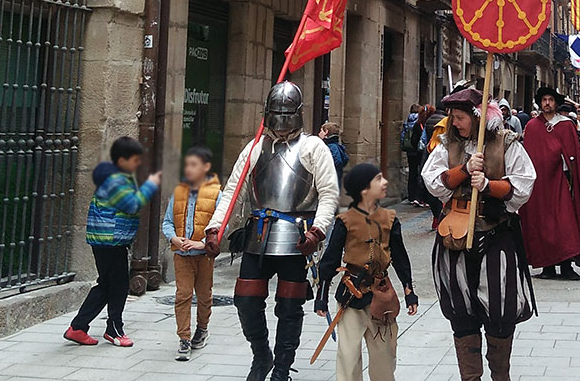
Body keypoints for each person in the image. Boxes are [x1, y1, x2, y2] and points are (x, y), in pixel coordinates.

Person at [204, 81, 340, 381]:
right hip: (259, 235)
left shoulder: (313, 147)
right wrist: (215, 227)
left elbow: (329, 193)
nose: (280, 119)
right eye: (275, 112)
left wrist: (318, 231)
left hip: (296, 236)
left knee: (290, 306)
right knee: (246, 300)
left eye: (285, 112)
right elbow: (233, 191)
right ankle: (261, 354)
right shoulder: (254, 148)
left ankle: (281, 368)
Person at [422, 88, 537, 381]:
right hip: (455, 237)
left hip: (496, 234)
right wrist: (464, 168)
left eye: (460, 117)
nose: (455, 122)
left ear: (477, 117)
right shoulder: (446, 144)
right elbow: (434, 183)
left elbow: (523, 186)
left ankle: (501, 377)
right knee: (461, 315)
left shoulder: (506, 142)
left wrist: (486, 183)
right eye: (453, 116)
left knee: (500, 313)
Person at [316, 163, 419, 381]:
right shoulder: (345, 221)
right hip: (351, 297)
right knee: (349, 358)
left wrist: (409, 290)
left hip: (382, 297)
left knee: (384, 360)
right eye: (379, 179)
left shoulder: (390, 219)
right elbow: (330, 261)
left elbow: (400, 258)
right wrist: (321, 297)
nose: (385, 183)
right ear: (364, 189)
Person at [64, 137, 162, 347]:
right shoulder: (116, 180)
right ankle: (114, 330)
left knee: (108, 285)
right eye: (135, 159)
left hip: (108, 240)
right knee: (118, 286)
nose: (137, 163)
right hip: (110, 241)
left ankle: (78, 327)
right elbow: (131, 204)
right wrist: (150, 186)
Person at [520, 86, 580, 280]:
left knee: (565, 223)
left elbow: (574, 155)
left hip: (563, 182)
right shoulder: (532, 126)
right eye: (544, 100)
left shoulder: (566, 125)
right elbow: (529, 157)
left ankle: (566, 266)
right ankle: (547, 266)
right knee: (542, 223)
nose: (547, 103)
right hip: (540, 185)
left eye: (551, 100)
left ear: (556, 103)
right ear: (540, 103)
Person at [162, 145, 222, 361]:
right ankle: (184, 338)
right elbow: (168, 222)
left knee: (204, 295)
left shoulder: (216, 193)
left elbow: (220, 226)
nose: (189, 169)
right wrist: (174, 238)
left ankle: (202, 328)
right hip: (182, 255)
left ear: (206, 167)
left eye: (194, 165)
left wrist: (203, 243)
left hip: (204, 256)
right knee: (183, 294)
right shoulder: (178, 192)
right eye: (187, 164)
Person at [402, 104, 427, 207]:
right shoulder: (420, 122)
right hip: (419, 152)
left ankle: (411, 196)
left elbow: (403, 135)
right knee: (420, 173)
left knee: (412, 173)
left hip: (410, 151)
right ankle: (418, 196)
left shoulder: (407, 121)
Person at [320, 122, 350, 188]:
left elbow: (338, 161)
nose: (319, 133)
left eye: (321, 131)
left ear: (326, 132)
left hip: (329, 183)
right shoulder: (336, 145)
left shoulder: (331, 146)